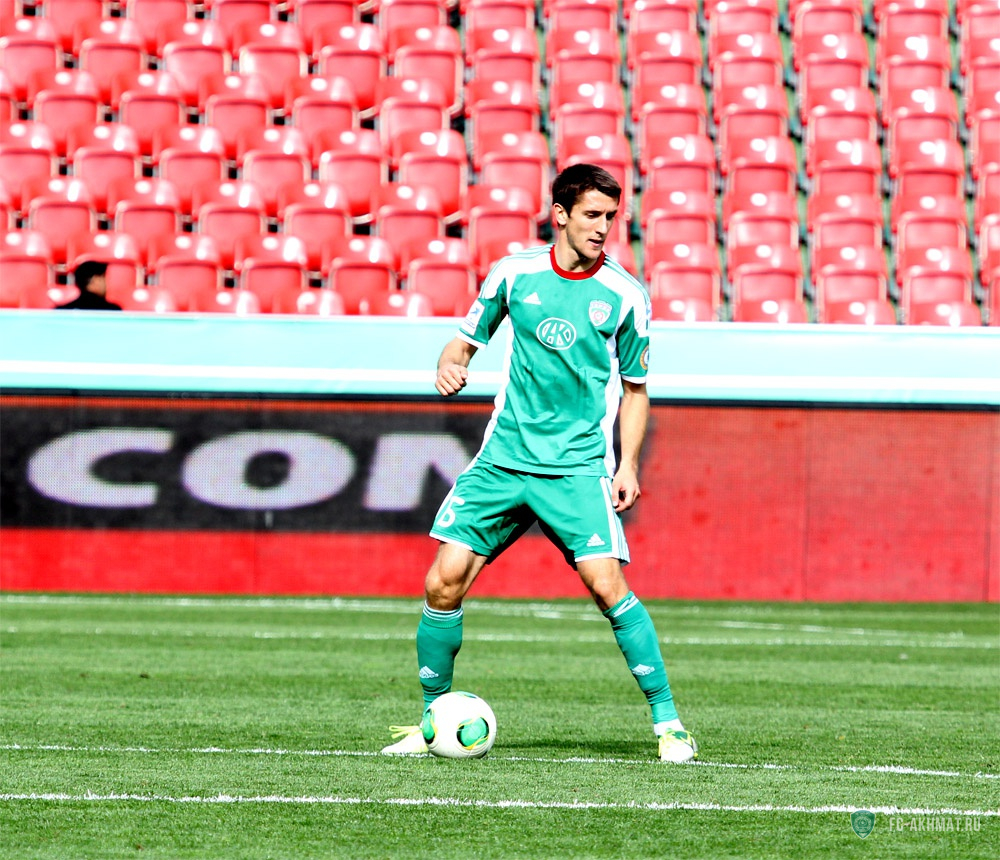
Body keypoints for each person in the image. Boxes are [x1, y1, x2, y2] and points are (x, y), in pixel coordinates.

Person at [381, 163, 697, 763]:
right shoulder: (513, 274)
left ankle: (670, 724)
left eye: (611, 217)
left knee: (607, 586)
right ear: (561, 215)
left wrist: (627, 465)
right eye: (592, 215)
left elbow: (636, 391)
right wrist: (449, 363)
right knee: (442, 582)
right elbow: (463, 341)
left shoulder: (626, 296)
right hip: (503, 459)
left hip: (576, 466)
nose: (603, 227)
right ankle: (433, 719)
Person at [56, 260, 121, 311]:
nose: (107, 281)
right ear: (95, 280)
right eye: (103, 276)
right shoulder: (112, 310)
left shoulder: (62, 310)